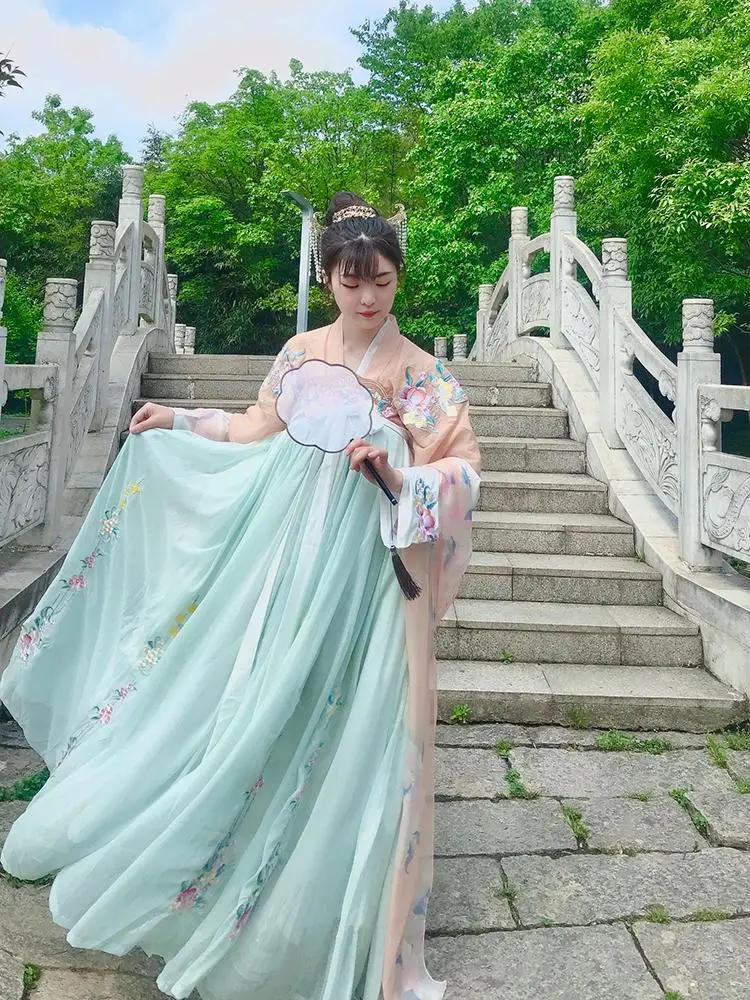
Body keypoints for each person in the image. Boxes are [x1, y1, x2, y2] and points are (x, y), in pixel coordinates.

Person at [0, 192, 481, 1000]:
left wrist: (400, 474)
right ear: (327, 279)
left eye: (383, 281)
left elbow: (464, 470)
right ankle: (212, 836)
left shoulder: (421, 375)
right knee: (251, 686)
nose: (368, 297)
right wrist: (180, 419)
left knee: (334, 704)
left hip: (360, 570)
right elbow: (255, 428)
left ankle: (316, 870)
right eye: (353, 281)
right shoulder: (298, 354)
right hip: (285, 553)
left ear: (399, 279)